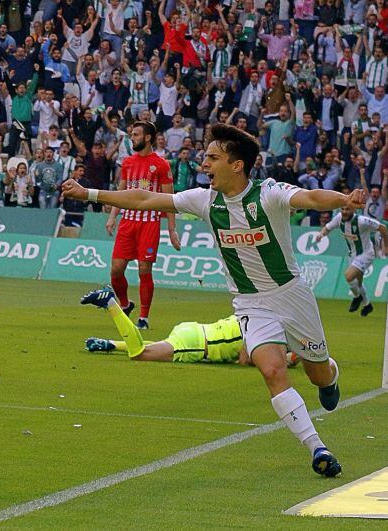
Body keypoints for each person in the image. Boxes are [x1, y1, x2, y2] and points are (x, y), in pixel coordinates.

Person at [62, 123, 368, 478]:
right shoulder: (204, 200)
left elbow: (312, 198)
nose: (203, 163)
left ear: (236, 165)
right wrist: (89, 194)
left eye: (212, 157)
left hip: (292, 297)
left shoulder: (268, 194)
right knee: (271, 370)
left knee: (318, 376)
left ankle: (329, 374)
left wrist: (345, 199)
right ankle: (317, 447)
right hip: (250, 303)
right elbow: (145, 199)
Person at [79, 286, 299, 367]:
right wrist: (284, 360)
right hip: (195, 345)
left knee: (159, 347)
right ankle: (110, 303)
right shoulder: (260, 335)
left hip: (192, 330)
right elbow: (245, 359)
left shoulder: (252, 317)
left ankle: (111, 344)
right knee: (140, 354)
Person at [105, 121, 181, 329]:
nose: (133, 137)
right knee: (116, 270)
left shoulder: (162, 164)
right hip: (127, 223)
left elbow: (169, 198)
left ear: (148, 137)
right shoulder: (128, 162)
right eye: (132, 134)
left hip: (149, 223)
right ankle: (125, 304)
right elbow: (120, 193)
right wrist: (113, 216)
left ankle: (144, 318)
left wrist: (172, 230)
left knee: (144, 269)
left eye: (136, 134)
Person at [316, 204, 388, 317]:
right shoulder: (339, 218)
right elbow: (328, 227)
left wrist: (386, 246)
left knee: (348, 276)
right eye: (343, 209)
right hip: (353, 255)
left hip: (366, 254)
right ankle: (367, 305)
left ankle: (357, 297)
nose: (344, 211)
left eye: (347, 209)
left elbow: (382, 227)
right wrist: (321, 234)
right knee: (358, 283)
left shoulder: (362, 221)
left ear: (353, 210)